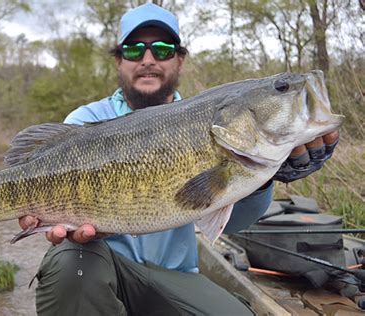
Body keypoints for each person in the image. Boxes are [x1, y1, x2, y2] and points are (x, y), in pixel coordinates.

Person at [19, 3, 340, 315]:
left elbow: (233, 223)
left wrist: (263, 180)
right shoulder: (85, 120)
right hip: (99, 267)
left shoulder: (205, 118)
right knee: (69, 261)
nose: (147, 59)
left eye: (162, 49)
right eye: (133, 50)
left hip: (176, 277)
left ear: (180, 59)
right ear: (119, 60)